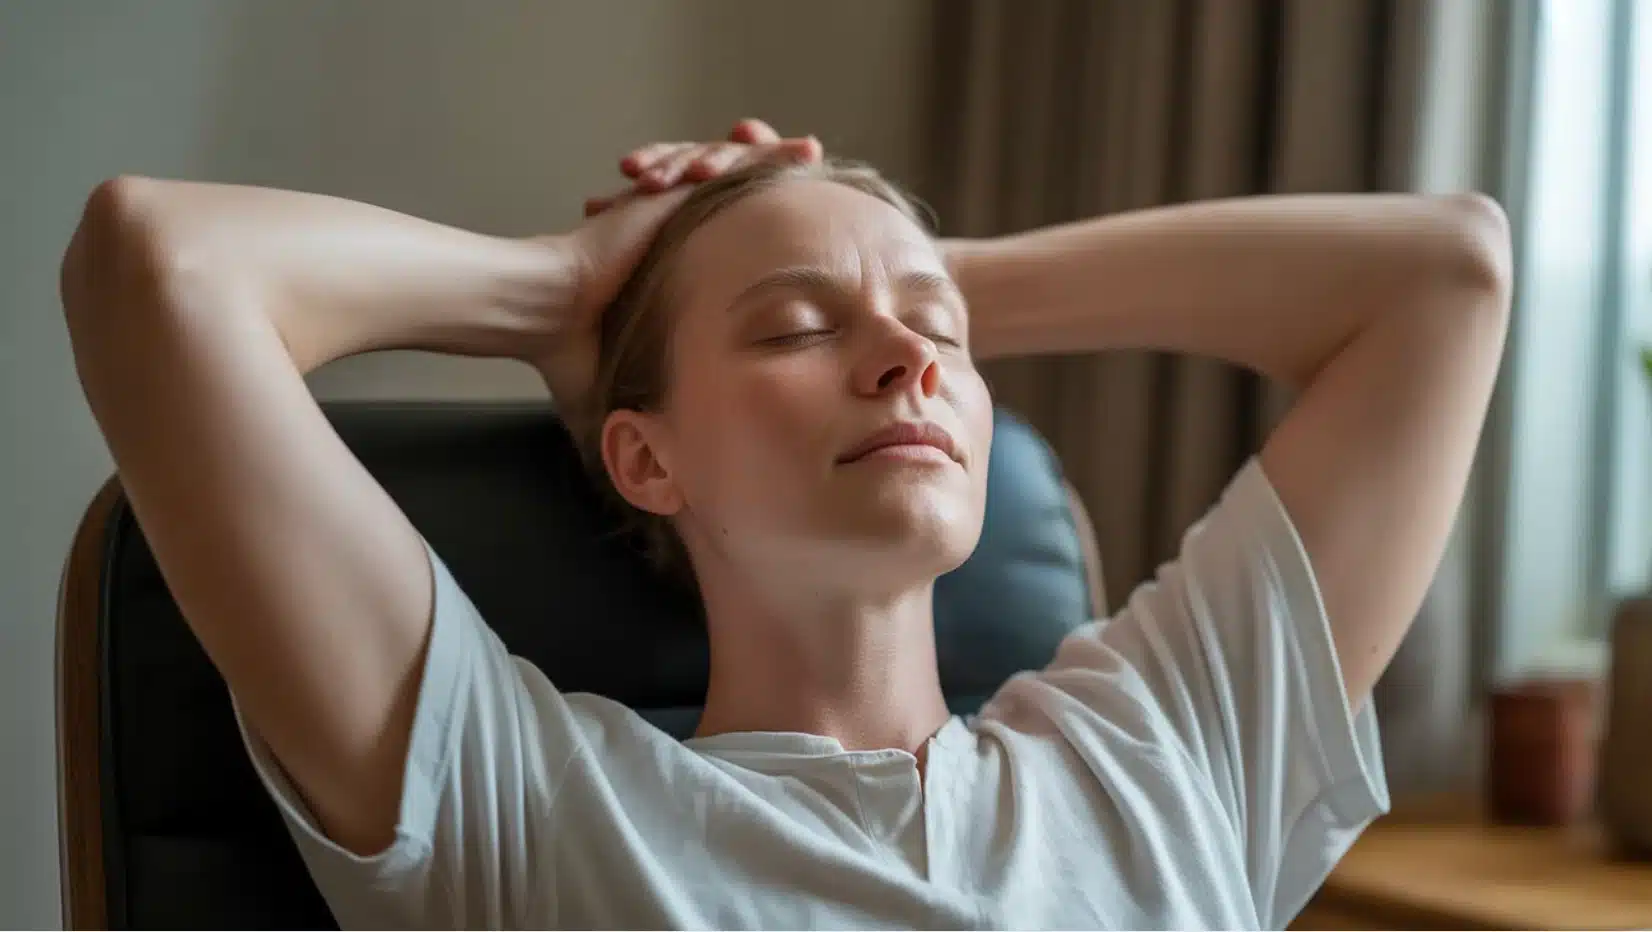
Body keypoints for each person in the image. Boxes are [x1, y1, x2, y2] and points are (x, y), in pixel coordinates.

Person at [61, 117, 1511, 929]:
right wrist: (572, 286)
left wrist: (869, 245)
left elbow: (1448, 272)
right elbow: (158, 264)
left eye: (942, 335)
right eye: (796, 330)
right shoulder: (531, 811)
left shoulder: (1162, 754)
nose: (908, 360)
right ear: (646, 458)